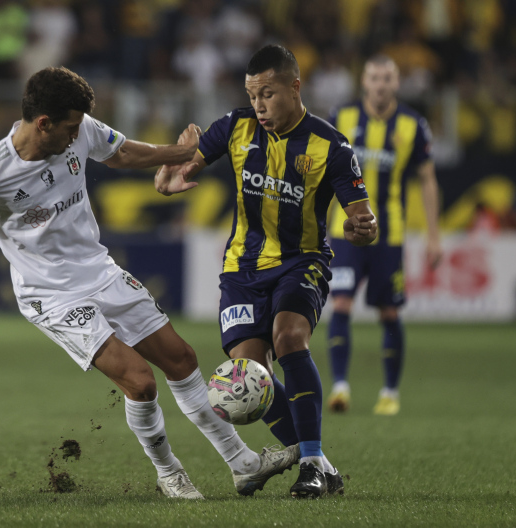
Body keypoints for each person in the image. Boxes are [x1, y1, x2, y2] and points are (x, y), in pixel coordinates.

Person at [0, 67, 298, 500]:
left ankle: (243, 464)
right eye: (70, 128)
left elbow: (123, 153)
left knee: (181, 358)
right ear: (43, 123)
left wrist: (181, 153)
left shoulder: (80, 127)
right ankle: (170, 474)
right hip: (50, 295)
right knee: (141, 382)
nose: (78, 135)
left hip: (100, 271)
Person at [154, 45, 377, 499]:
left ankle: (310, 465)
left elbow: (363, 219)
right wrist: (170, 177)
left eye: (268, 94)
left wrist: (363, 229)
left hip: (303, 261)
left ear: (295, 87)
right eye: (253, 95)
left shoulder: (331, 146)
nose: (259, 105)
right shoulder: (236, 127)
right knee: (247, 377)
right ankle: (321, 463)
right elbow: (189, 162)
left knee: (289, 338)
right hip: (242, 267)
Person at [326, 54, 442, 416]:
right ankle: (341, 387)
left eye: (387, 78)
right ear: (364, 81)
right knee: (341, 303)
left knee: (389, 311)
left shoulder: (412, 124)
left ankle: (390, 392)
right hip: (343, 231)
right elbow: (319, 172)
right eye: (374, 78)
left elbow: (427, 178)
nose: (380, 85)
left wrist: (434, 236)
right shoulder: (340, 118)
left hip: (389, 234)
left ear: (396, 83)